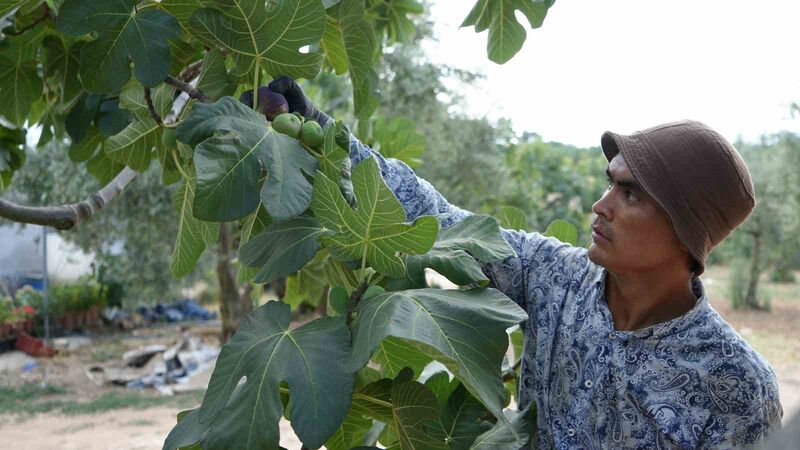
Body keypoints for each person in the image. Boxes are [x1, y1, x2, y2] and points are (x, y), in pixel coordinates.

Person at [264, 76, 783, 449]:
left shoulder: (737, 387)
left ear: (685, 228)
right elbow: (440, 220)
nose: (600, 206)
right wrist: (322, 135)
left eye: (630, 194)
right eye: (610, 183)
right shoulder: (553, 275)